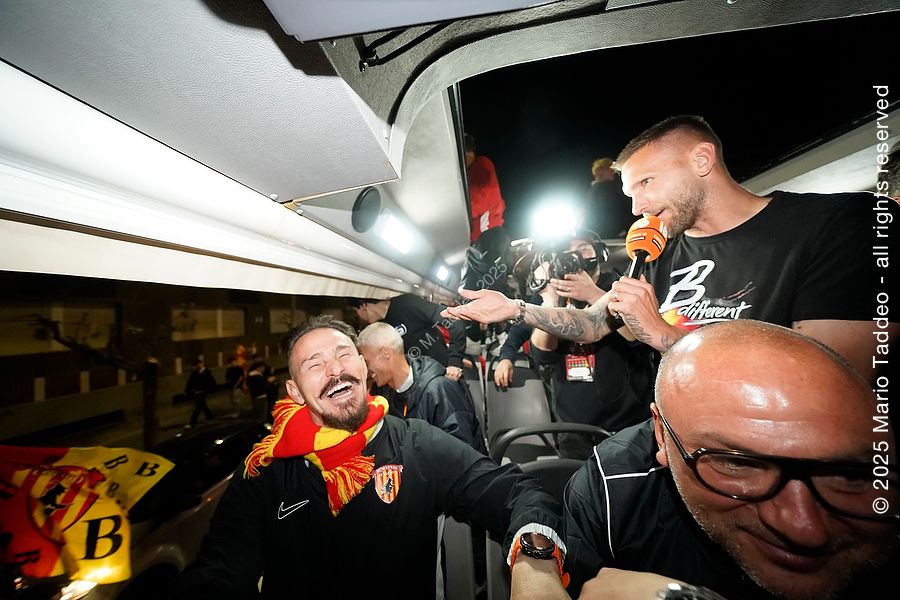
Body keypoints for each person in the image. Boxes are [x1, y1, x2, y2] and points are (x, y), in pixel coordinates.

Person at [442, 115, 898, 384]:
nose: (636, 206)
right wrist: (515, 308)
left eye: (646, 183)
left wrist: (665, 336)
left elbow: (831, 375)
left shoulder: (837, 224)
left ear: (702, 160)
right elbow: (593, 323)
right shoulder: (657, 255)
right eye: (629, 194)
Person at [172, 315, 569, 600]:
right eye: (314, 364)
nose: (334, 370)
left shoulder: (418, 444)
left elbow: (513, 491)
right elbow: (220, 569)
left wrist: (536, 561)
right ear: (295, 392)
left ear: (363, 367)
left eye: (343, 355)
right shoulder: (266, 470)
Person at [564, 320, 899, 599]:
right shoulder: (615, 490)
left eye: (850, 475)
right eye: (737, 464)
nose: (804, 529)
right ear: (662, 435)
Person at [527, 231, 657, 459]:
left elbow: (638, 336)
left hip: (627, 425)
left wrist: (593, 295)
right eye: (568, 251)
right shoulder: (559, 298)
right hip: (573, 428)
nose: (575, 255)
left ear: (600, 253)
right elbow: (542, 353)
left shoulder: (622, 285)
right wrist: (549, 301)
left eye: (583, 248)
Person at [357, 321, 487, 454]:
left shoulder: (439, 390)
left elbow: (461, 452)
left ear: (386, 353)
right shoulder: (386, 395)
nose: (366, 370)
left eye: (367, 362)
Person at [349, 293, 467, 379]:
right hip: (420, 384)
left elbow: (454, 321)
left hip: (446, 374)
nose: (358, 318)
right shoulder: (380, 328)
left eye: (355, 313)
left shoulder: (406, 304)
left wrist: (454, 363)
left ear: (363, 305)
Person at [577, 157, 634, 239]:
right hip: (612, 235)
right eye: (609, 169)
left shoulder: (591, 190)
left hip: (598, 234)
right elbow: (613, 211)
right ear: (599, 171)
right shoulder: (606, 188)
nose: (613, 172)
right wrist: (622, 230)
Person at [184, 357, 217, 428]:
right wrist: (187, 390)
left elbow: (212, 381)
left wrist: (209, 389)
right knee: (203, 405)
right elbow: (190, 382)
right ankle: (210, 416)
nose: (198, 366)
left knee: (198, 407)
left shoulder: (206, 372)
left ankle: (192, 423)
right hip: (197, 392)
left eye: (199, 364)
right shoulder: (195, 373)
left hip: (203, 392)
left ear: (202, 364)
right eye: (197, 364)